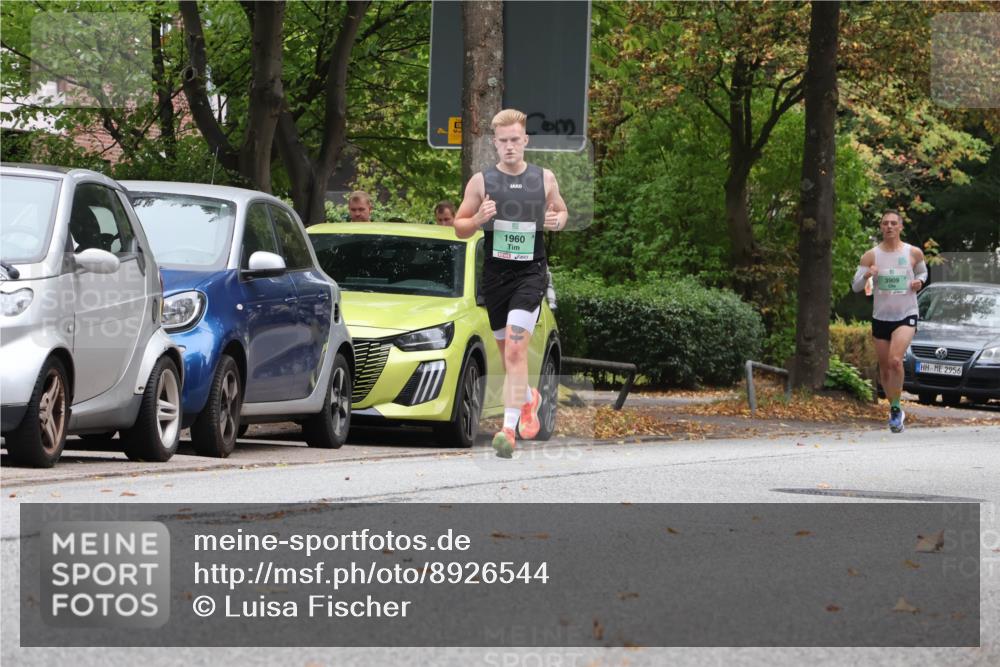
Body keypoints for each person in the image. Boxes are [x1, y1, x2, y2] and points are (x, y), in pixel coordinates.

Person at [454, 108, 568, 458]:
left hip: (530, 272)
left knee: (517, 350)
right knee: (508, 356)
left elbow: (561, 212)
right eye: (503, 141)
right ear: (494, 143)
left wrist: (555, 220)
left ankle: (508, 429)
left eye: (515, 140)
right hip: (496, 275)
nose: (509, 147)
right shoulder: (482, 181)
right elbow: (459, 226)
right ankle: (529, 397)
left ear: (525, 141)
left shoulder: (544, 178)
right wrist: (477, 218)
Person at [851, 210, 927, 433]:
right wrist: (867, 275)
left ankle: (896, 408)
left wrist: (919, 282)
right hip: (881, 316)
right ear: (881, 227)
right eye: (885, 223)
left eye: (894, 223)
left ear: (900, 227)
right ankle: (894, 407)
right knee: (884, 368)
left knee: (895, 360)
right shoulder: (871, 256)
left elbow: (923, 273)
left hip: (906, 313)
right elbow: (856, 286)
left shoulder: (913, 252)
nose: (889, 227)